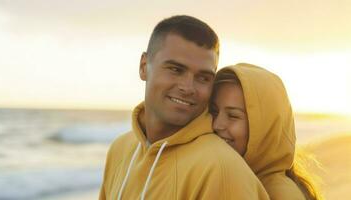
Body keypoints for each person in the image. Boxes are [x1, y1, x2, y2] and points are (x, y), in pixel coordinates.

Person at [99, 16, 270, 199]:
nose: (188, 88)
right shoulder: (121, 148)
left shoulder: (222, 170)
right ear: (143, 67)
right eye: (175, 70)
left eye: (203, 78)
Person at [210, 63, 323, 200]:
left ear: (266, 126)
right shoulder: (245, 177)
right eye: (214, 112)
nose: (217, 124)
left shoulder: (279, 194)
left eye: (233, 116)